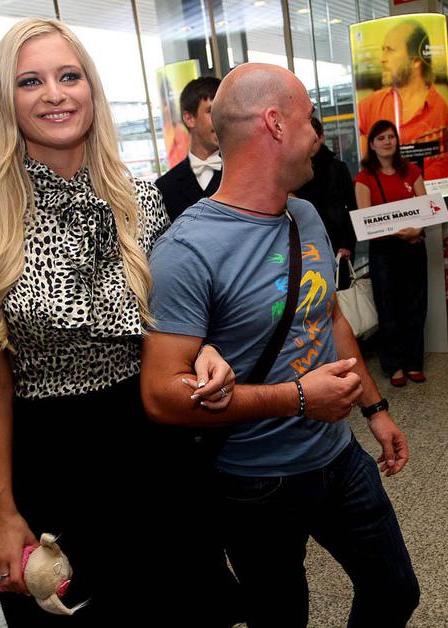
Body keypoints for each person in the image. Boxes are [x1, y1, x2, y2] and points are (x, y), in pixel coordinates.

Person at [0, 18, 235, 626]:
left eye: (69, 76)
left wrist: (203, 352)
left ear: (91, 90)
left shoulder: (140, 201)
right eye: (30, 81)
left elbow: (167, 331)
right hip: (52, 458)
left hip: (153, 446)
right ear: (6, 101)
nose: (55, 94)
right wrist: (3, 511)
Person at [141, 63, 420, 628]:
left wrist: (375, 409)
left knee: (395, 592)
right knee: (281, 618)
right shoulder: (186, 251)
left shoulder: (306, 214)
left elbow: (329, 316)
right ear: (274, 123)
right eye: (310, 119)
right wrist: (298, 398)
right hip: (254, 483)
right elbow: (161, 396)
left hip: (338, 456)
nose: (318, 133)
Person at [355, 119, 429, 386]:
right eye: (381, 138)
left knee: (415, 306)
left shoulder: (412, 171)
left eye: (391, 137)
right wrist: (401, 232)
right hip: (384, 252)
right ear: (372, 144)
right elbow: (366, 220)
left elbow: (426, 208)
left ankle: (413, 363)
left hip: (413, 247)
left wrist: (417, 230)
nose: (387, 142)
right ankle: (394, 365)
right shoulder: (364, 179)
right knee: (388, 308)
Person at [357, 19, 448, 182]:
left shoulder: (439, 108)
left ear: (415, 60)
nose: (382, 59)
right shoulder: (369, 105)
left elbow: (444, 168)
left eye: (389, 50)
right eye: (382, 50)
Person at [294, 116, 357, 289]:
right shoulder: (295, 171)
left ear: (321, 137)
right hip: (307, 243)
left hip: (338, 241)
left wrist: (348, 244)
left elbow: (352, 207)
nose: (309, 143)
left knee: (341, 290)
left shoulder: (338, 168)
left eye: (313, 139)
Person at [155, 76, 222, 221]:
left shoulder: (243, 174)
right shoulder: (164, 188)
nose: (220, 119)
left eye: (223, 111)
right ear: (189, 118)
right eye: (211, 111)